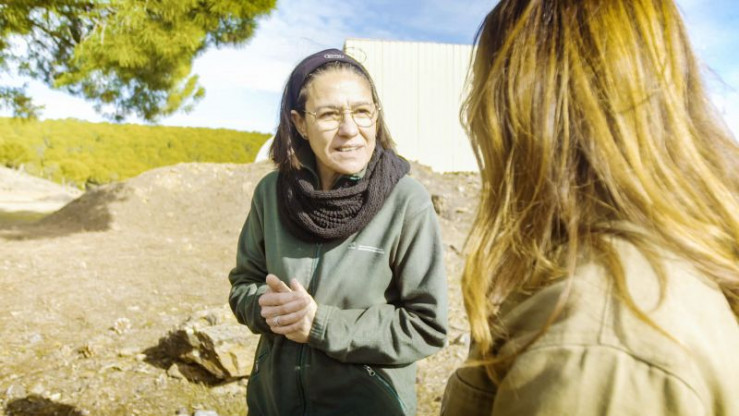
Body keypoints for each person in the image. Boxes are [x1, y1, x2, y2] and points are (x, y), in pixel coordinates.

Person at [441, 0, 739, 415]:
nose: (475, 115)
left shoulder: (597, 342)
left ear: (526, 111)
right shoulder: (647, 270)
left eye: (485, 90)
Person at [228, 48, 448, 415]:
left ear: (376, 115)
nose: (350, 129)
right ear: (300, 123)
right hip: (273, 405)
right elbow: (243, 285)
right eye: (329, 114)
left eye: (362, 111)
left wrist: (320, 324)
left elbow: (426, 325)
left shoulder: (406, 201)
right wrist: (266, 307)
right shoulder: (271, 194)